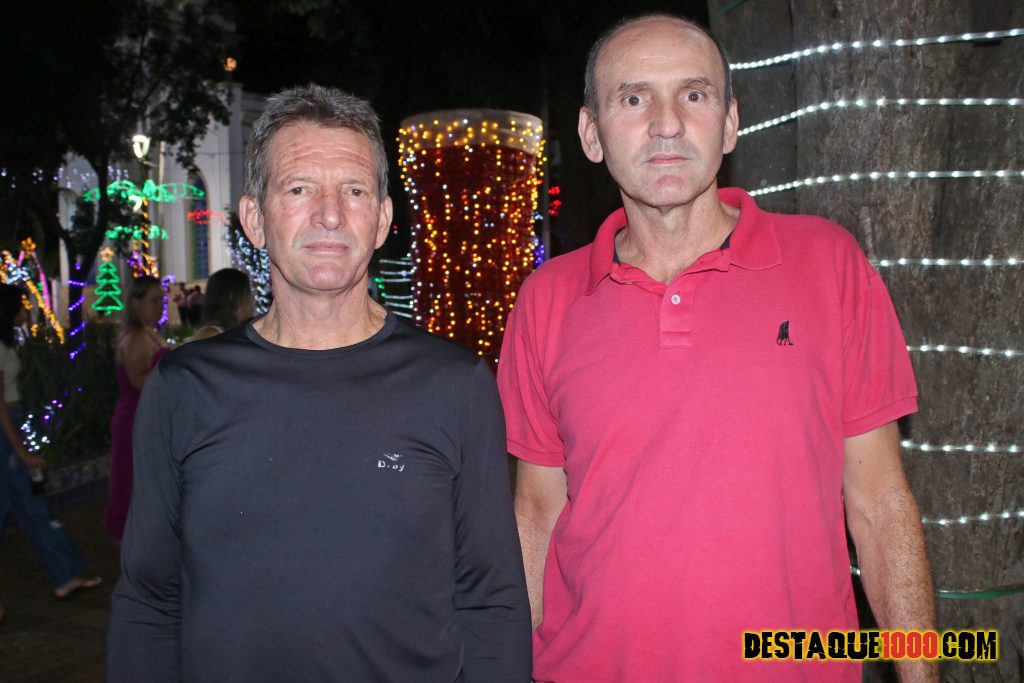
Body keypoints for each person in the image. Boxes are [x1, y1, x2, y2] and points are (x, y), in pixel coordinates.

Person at [497, 14, 936, 683]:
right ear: (591, 133)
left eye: (694, 95)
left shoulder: (827, 264)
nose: (667, 124)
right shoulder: (546, 299)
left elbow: (880, 503)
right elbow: (535, 514)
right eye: (634, 98)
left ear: (729, 124)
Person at [108, 84, 531, 682]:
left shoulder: (454, 385)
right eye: (299, 189)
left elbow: (491, 600)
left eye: (354, 190)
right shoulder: (185, 388)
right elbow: (150, 600)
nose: (330, 215)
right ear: (254, 219)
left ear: (382, 220)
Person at [0, 284, 101, 600]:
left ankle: (65, 573)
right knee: (28, 502)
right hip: (7, 428)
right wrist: (21, 450)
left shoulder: (8, 344)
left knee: (29, 504)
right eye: (21, 305)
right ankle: (65, 572)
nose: (26, 310)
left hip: (11, 423)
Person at [105, 276, 168, 542]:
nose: (161, 305)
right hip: (134, 417)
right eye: (155, 301)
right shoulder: (134, 337)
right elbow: (138, 381)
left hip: (145, 415)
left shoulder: (148, 332)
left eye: (162, 300)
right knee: (131, 478)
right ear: (136, 303)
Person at [190, 267, 255, 341]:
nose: (252, 301)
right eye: (248, 295)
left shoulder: (237, 329)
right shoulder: (211, 334)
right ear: (232, 297)